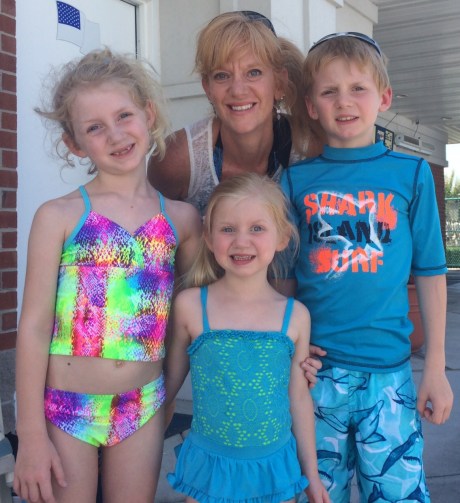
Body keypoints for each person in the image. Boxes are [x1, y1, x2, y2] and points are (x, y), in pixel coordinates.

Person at [13, 48, 201, 503]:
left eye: (123, 116)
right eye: (94, 127)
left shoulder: (182, 220)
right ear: (75, 143)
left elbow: (189, 321)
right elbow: (34, 326)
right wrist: (30, 434)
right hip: (65, 408)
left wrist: (169, 393)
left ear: (148, 115)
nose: (115, 134)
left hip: (143, 404)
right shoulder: (59, 216)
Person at [281, 32, 454, 502]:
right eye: (329, 91)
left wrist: (435, 368)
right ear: (311, 105)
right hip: (317, 376)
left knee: (398, 494)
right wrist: (288, 352)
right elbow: (284, 280)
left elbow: (430, 274)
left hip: (389, 375)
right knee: (319, 493)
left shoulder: (411, 175)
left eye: (358, 88)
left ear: (384, 97)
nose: (344, 101)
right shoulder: (295, 181)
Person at [164, 173, 330, 503]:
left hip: (274, 470)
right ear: (209, 237)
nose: (242, 241)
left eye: (257, 228)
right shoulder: (191, 306)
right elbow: (166, 387)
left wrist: (311, 474)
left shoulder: (295, 316)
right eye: (228, 229)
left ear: (282, 237)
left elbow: (298, 398)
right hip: (208, 469)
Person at [147, 10, 324, 217]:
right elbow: (148, 230)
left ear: (279, 83)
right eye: (222, 76)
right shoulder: (177, 161)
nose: (238, 90)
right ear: (208, 88)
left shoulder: (310, 150)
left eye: (253, 73)